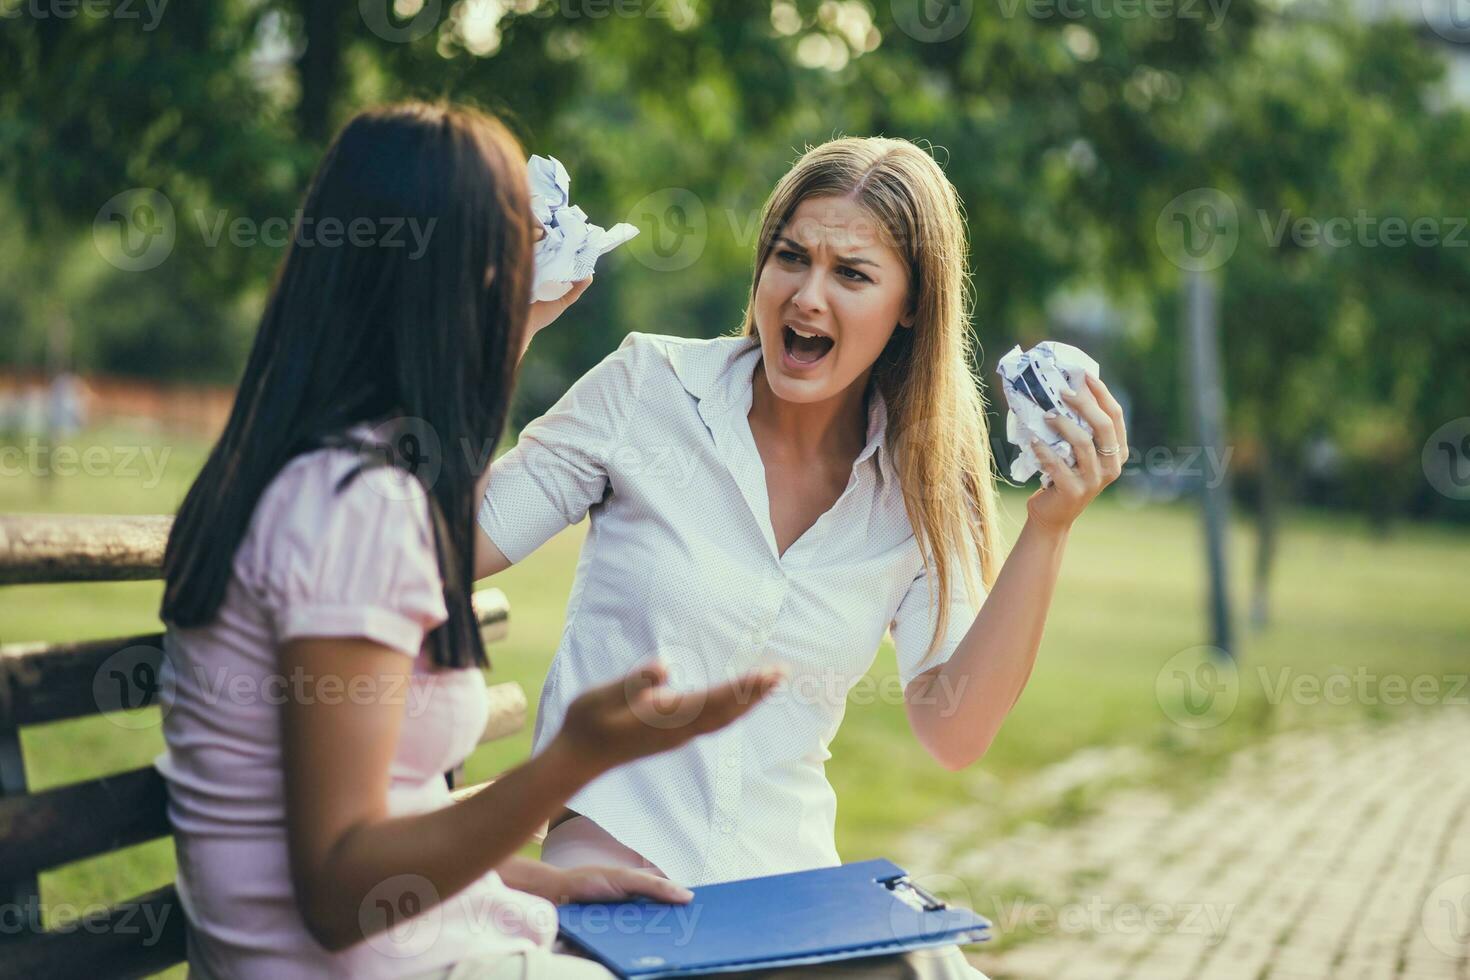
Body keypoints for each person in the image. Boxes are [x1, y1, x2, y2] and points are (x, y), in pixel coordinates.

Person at [153, 101, 782, 980]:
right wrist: (576, 759)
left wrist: (539, 884)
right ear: (458, 286)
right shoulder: (354, 507)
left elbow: (378, 821)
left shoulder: (312, 471)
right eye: (505, 263)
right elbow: (339, 893)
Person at [475, 137, 1130, 978]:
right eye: (790, 257)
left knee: (934, 969)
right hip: (613, 881)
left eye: (851, 274)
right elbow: (455, 547)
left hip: (791, 900)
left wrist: (1050, 528)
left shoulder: (924, 484)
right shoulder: (647, 389)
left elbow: (955, 728)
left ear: (909, 307)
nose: (807, 295)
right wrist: (508, 331)